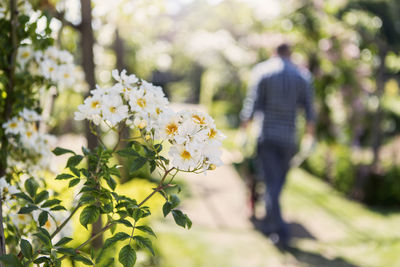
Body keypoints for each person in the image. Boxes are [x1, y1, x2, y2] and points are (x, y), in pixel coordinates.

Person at [240, 43, 315, 247]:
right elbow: (309, 110)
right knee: (277, 183)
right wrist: (310, 138)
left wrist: (244, 131)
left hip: (267, 137)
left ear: (273, 52)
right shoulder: (301, 76)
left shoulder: (263, 71)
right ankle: (272, 224)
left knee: (272, 184)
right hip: (289, 139)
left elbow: (252, 105)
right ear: (290, 54)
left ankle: (279, 231)